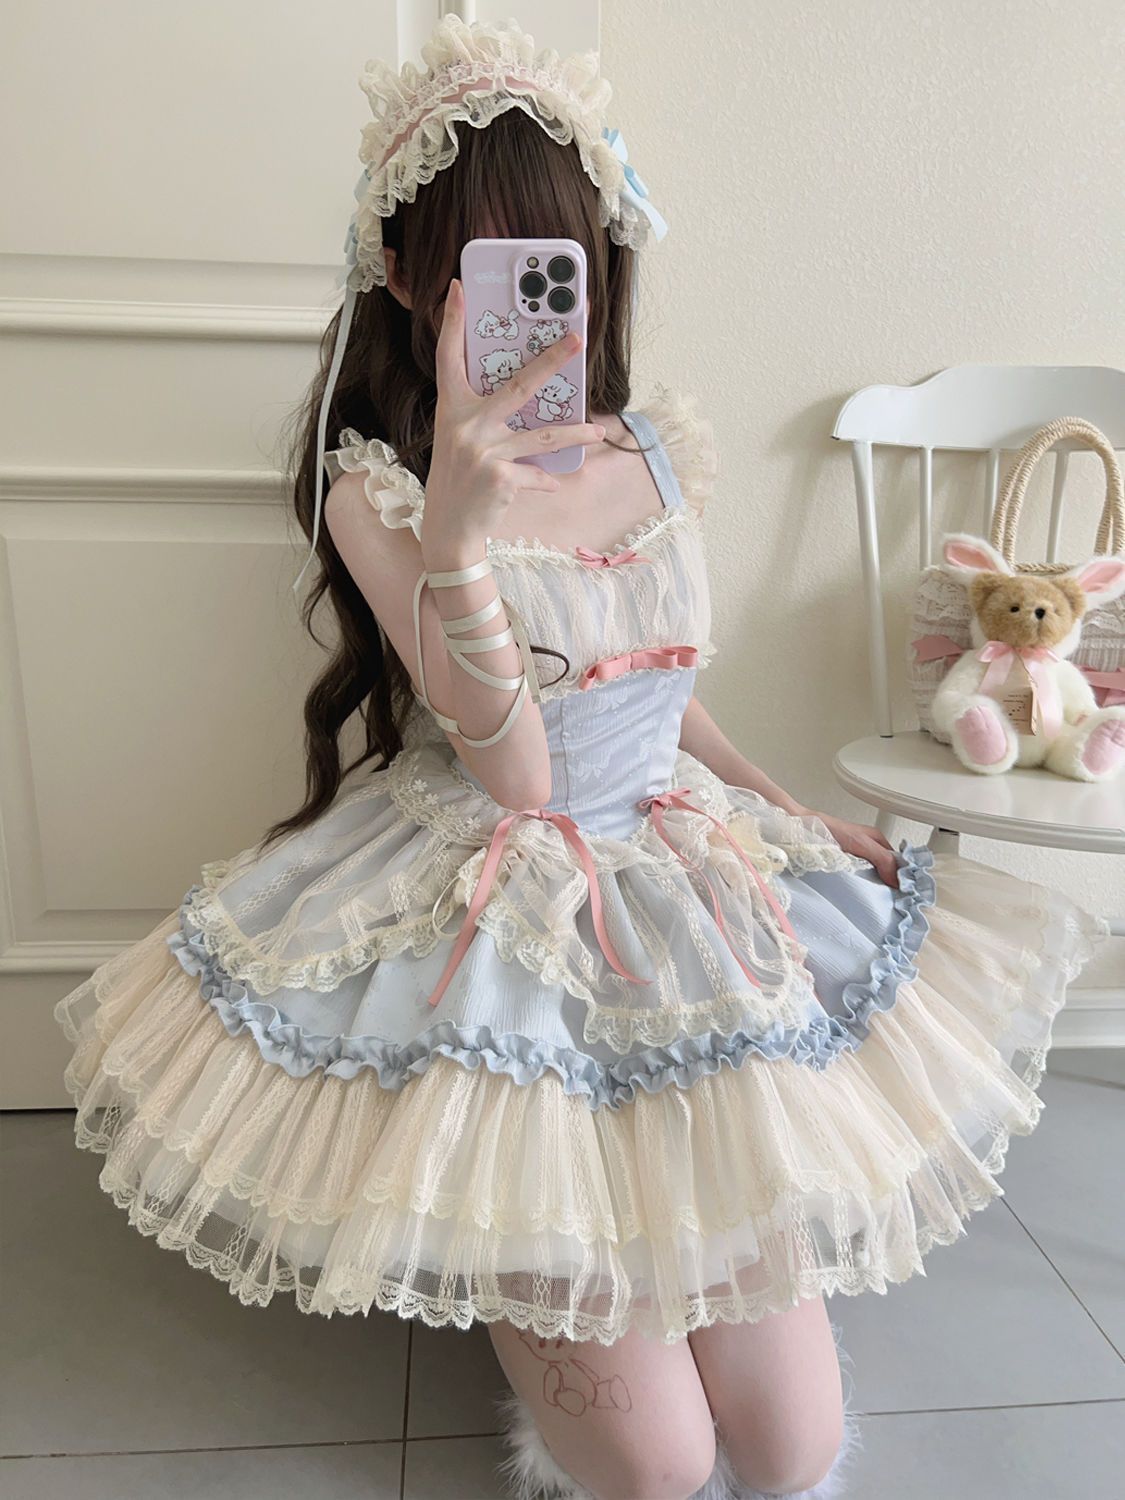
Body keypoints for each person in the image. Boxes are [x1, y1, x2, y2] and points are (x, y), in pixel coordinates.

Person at [53, 16, 1111, 1500]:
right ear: (406, 276)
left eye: (557, 253)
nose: (532, 297)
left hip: (681, 850)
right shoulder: (376, 488)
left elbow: (666, 688)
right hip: (501, 868)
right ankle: (556, 1284)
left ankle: (663, 1281)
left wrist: (784, 806)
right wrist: (459, 535)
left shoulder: (656, 445)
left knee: (793, 1449)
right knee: (658, 1470)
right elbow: (523, 783)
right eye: (479, 264)